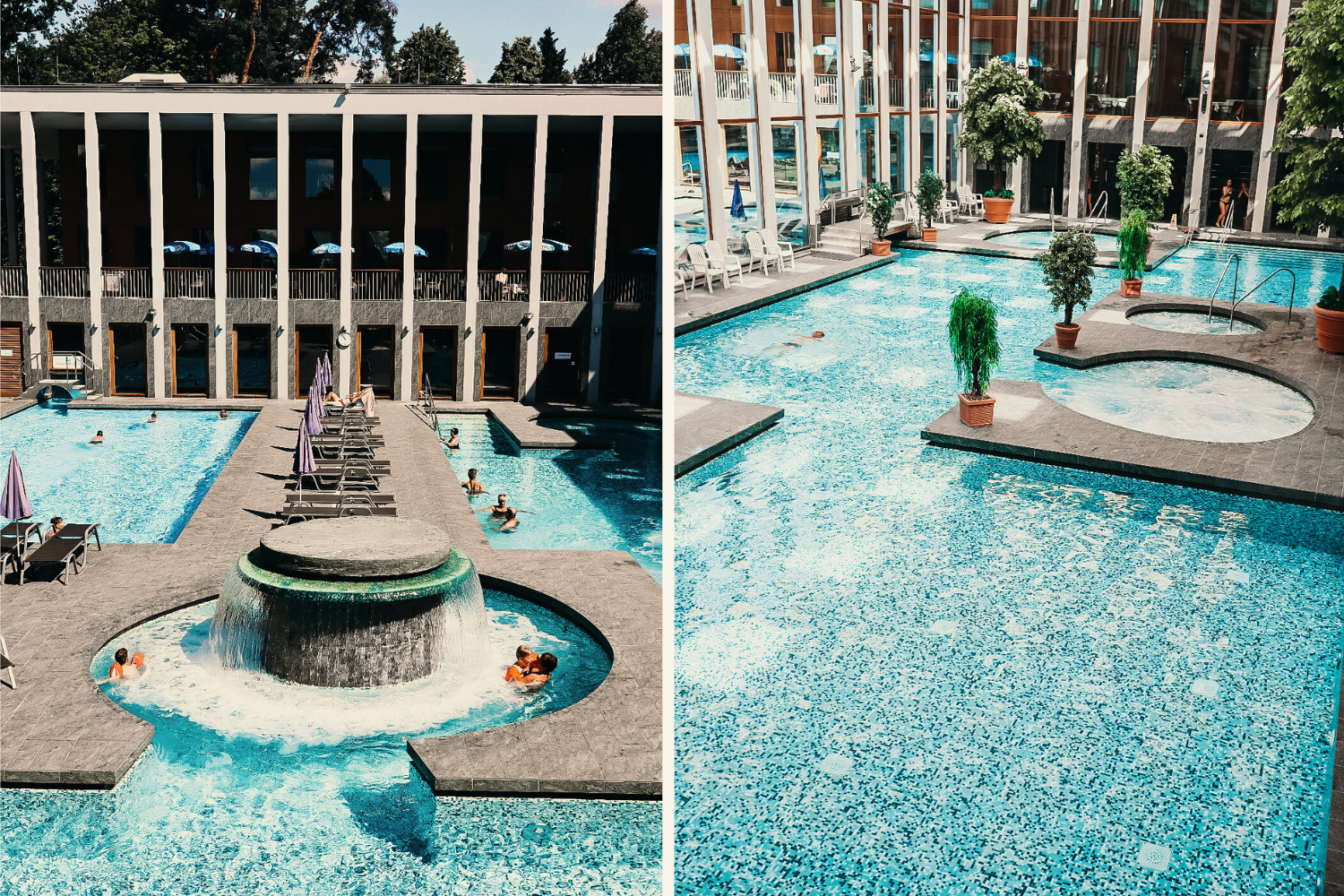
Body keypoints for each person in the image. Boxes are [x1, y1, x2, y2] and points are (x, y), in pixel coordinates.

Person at [760, 331, 832, 358]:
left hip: (796, 346)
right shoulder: (808, 336)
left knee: (783, 351)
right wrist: (789, 333)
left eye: (816, 333)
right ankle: (759, 353)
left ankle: (771, 358)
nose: (814, 333)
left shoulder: (818, 339)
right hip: (790, 343)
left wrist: (833, 345)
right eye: (815, 332)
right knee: (773, 347)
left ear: (819, 336)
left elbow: (825, 341)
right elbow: (798, 334)